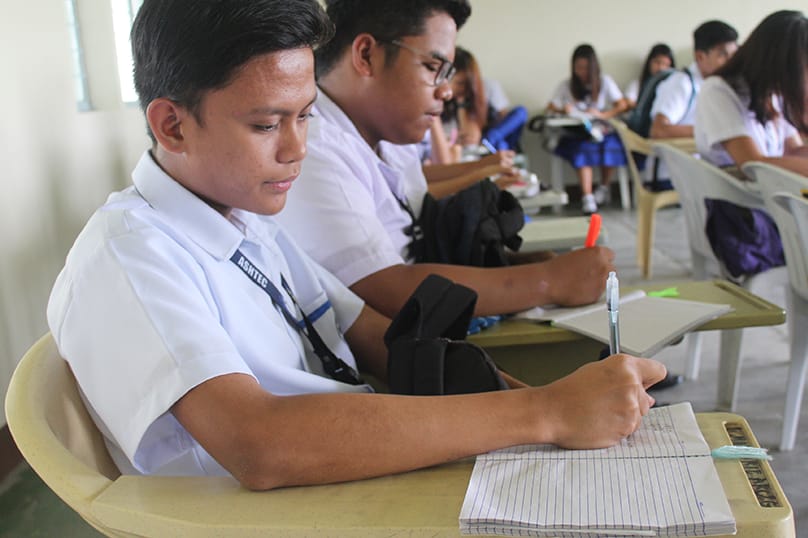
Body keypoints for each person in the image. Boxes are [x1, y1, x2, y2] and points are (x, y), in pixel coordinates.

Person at [45, 0, 665, 491]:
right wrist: (544, 414)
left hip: (344, 475)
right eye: (266, 124)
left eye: (305, 116)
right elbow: (259, 443)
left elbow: (370, 333)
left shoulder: (246, 219)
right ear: (172, 125)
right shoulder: (131, 254)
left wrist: (533, 402)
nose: (297, 148)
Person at [276, 0, 615, 321]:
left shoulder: (387, 138)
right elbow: (387, 289)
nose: (447, 91)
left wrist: (516, 266)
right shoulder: (314, 149)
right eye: (432, 67)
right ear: (366, 55)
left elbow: (413, 247)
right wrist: (545, 281)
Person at [695, 10, 808, 175]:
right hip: (736, 189)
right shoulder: (717, 90)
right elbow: (752, 163)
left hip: (768, 186)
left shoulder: (772, 93)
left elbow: (792, 149)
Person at [645, 21, 738, 190]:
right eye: (723, 54)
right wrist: (711, 130)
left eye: (734, 54)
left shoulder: (719, 84)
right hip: (673, 176)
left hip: (702, 170)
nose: (731, 61)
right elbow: (658, 130)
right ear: (700, 56)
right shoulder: (682, 83)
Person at [546, 44, 629, 214]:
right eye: (578, 67)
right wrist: (564, 110)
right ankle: (587, 196)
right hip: (579, 132)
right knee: (583, 149)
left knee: (611, 145)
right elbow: (551, 106)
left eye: (585, 67)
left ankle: (603, 188)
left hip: (601, 128)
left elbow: (622, 105)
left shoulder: (605, 82)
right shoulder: (567, 85)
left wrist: (603, 115)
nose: (582, 72)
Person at [624, 43, 676, 109]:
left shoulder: (674, 87)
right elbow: (630, 102)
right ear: (649, 62)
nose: (660, 68)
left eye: (665, 64)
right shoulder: (637, 84)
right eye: (657, 62)